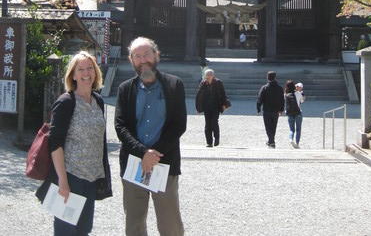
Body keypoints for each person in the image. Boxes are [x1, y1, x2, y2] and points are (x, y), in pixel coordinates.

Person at [115, 36, 187, 236]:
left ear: (156, 55)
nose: (143, 59)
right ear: (131, 61)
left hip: (164, 164)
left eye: (147, 54)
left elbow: (179, 124)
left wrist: (156, 154)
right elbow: (120, 127)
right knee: (134, 225)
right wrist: (143, 153)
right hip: (133, 164)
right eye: (137, 56)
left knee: (170, 225)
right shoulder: (125, 89)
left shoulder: (174, 85)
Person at [36, 51, 112, 235]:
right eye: (81, 69)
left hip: (91, 177)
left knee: (84, 229)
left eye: (90, 68)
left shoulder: (98, 101)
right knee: (66, 230)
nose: (86, 73)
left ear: (95, 72)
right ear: (73, 75)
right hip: (70, 176)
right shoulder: (66, 102)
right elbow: (55, 143)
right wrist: (62, 180)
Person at [195, 68, 230, 147]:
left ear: (212, 76)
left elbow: (223, 93)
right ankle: (209, 142)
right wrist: (198, 108)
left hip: (216, 106)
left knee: (214, 122)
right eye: (206, 75)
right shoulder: (203, 84)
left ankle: (217, 138)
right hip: (206, 107)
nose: (207, 77)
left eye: (209, 75)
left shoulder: (218, 82)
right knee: (208, 124)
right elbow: (199, 96)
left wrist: (224, 105)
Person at [257, 70, 284, 148]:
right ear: (275, 78)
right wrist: (281, 109)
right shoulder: (279, 88)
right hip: (276, 110)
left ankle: (271, 141)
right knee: (273, 126)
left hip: (267, 110)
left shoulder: (264, 88)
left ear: (267, 78)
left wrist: (258, 109)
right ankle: (271, 140)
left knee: (268, 126)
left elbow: (260, 99)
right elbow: (282, 100)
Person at [284, 79, 303, 148]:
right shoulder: (298, 93)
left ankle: (291, 139)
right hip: (298, 112)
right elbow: (301, 101)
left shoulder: (286, 94)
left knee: (291, 129)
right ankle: (297, 143)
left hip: (289, 113)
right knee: (298, 129)